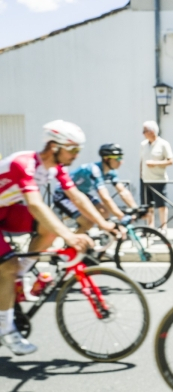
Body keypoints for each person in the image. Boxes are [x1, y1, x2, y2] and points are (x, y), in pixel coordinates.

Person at [0, 120, 104, 355]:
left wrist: (105, 223)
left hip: (5, 208)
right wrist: (69, 236)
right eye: (73, 149)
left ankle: (18, 276)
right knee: (7, 265)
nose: (76, 155)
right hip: (6, 208)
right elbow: (36, 205)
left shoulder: (54, 168)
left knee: (48, 228)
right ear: (55, 147)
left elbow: (77, 197)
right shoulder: (23, 163)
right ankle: (5, 330)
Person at [53, 143, 138, 233]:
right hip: (63, 194)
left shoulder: (112, 171)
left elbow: (122, 191)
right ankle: (73, 244)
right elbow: (105, 197)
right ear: (106, 159)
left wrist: (136, 209)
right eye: (118, 158)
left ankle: (103, 240)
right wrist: (121, 216)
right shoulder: (94, 170)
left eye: (121, 157)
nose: (121, 161)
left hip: (80, 194)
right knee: (88, 223)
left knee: (104, 212)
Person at [140, 121, 173, 235]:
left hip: (159, 179)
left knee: (161, 204)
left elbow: (170, 161)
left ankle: (163, 227)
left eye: (145, 131)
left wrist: (155, 163)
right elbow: (142, 161)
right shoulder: (143, 144)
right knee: (148, 205)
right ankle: (150, 228)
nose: (143, 133)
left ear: (152, 131)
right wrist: (140, 174)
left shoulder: (163, 144)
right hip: (145, 179)